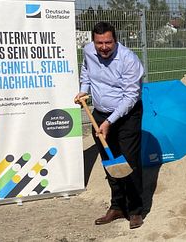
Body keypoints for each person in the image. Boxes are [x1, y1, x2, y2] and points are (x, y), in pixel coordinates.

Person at [75, 22, 146, 230]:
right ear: (93, 42)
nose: (104, 47)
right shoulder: (88, 51)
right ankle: (116, 206)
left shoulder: (128, 60)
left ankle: (135, 210)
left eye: (108, 42)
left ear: (115, 40)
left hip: (127, 116)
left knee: (128, 162)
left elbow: (130, 96)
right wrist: (83, 90)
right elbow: (86, 71)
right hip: (99, 113)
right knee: (108, 161)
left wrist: (109, 122)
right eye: (99, 43)